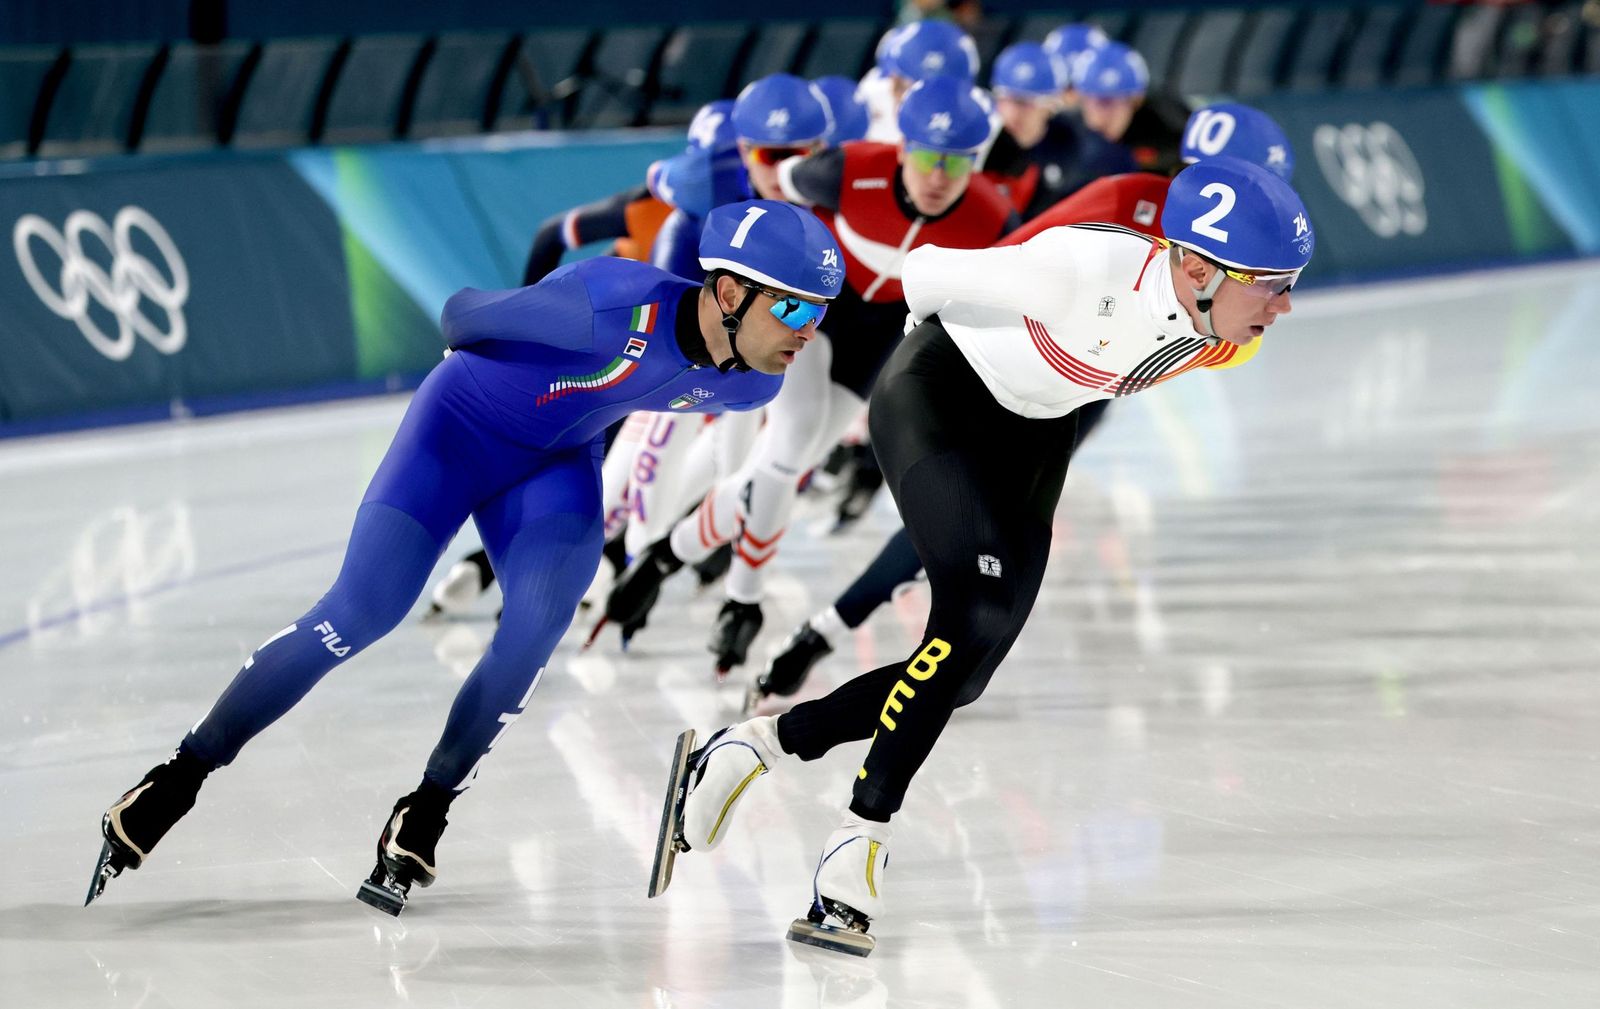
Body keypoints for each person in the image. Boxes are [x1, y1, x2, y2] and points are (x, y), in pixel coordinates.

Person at [85, 200, 846, 914]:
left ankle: (428, 806)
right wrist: (496, 363)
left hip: (553, 464)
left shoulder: (749, 386)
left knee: (534, 631)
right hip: (455, 435)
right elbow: (462, 313)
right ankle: (180, 774)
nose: (806, 329)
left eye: (817, 313)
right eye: (792, 306)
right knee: (360, 612)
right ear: (727, 292)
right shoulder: (610, 300)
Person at [650, 157, 1315, 955]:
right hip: (940, 393)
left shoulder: (1225, 331)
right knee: (965, 619)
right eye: (1272, 282)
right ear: (1199, 267)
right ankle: (854, 848)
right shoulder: (1085, 268)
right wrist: (911, 359)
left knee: (961, 675)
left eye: (1292, 281)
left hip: (1036, 429)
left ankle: (758, 743)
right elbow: (923, 269)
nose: (1285, 305)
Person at [751, 102, 1298, 712]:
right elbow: (1009, 257)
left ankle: (831, 634)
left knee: (978, 527)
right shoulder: (1128, 200)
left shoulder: (1217, 260)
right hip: (998, 360)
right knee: (956, 519)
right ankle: (827, 634)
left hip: (1074, 393)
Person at [596, 76, 1018, 675]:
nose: (937, 177)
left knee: (779, 469)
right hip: (815, 313)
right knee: (786, 447)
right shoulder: (839, 171)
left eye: (957, 163)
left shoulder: (993, 219)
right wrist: (682, 178)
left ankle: (668, 557)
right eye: (926, 156)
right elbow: (760, 188)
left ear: (978, 163)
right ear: (902, 149)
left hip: (873, 341)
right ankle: (740, 598)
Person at [427, 99, 750, 620]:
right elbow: (551, 236)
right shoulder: (662, 208)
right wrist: (526, 313)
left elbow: (550, 234)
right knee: (618, 462)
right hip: (637, 357)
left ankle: (506, 565)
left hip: (629, 354)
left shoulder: (659, 204)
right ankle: (552, 564)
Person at [981, 40, 1134, 221]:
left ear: (1051, 104)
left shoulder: (1072, 145)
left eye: (1026, 103)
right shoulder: (982, 143)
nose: (1013, 113)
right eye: (1005, 99)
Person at [1074, 41, 1190, 176]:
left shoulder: (1172, 130)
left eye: (1114, 103)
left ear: (1136, 101)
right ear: (1081, 101)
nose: (1106, 115)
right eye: (1099, 103)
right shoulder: (1065, 138)